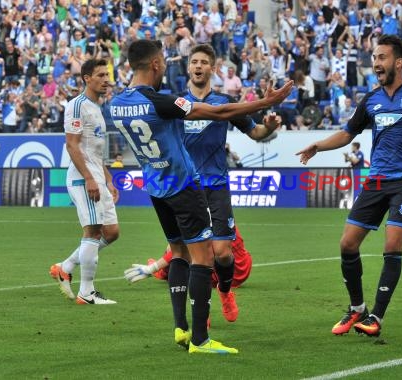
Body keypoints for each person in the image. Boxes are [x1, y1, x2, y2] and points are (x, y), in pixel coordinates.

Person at [110, 39, 292, 354]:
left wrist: (268, 127)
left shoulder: (117, 103)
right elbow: (219, 112)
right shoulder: (167, 102)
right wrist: (264, 101)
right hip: (185, 186)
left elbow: (250, 128)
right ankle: (200, 338)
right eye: (166, 61)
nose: (185, 66)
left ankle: (182, 326)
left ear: (211, 67)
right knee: (203, 257)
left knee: (185, 252)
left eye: (201, 62)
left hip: (158, 187)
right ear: (154, 64)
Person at [296, 34, 402, 337]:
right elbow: (347, 133)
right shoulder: (371, 100)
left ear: (400, 62)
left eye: (382, 57)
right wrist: (318, 146)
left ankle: (376, 317)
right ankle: (357, 309)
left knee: (392, 244)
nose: (376, 63)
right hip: (376, 180)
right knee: (347, 244)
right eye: (375, 58)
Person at [49, 59, 120, 305]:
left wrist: (108, 179)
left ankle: (65, 267)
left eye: (107, 75)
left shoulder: (97, 106)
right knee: (92, 231)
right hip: (83, 178)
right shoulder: (76, 105)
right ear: (87, 78)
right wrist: (89, 177)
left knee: (111, 232)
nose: (106, 80)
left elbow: (94, 151)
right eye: (100, 75)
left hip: (97, 176)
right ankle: (86, 293)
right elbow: (73, 145)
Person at [125, 225, 252, 289]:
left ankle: (163, 272)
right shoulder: (221, 211)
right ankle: (164, 270)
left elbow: (183, 249)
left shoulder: (202, 216)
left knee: (177, 248)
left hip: (217, 277)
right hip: (243, 269)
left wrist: (151, 268)